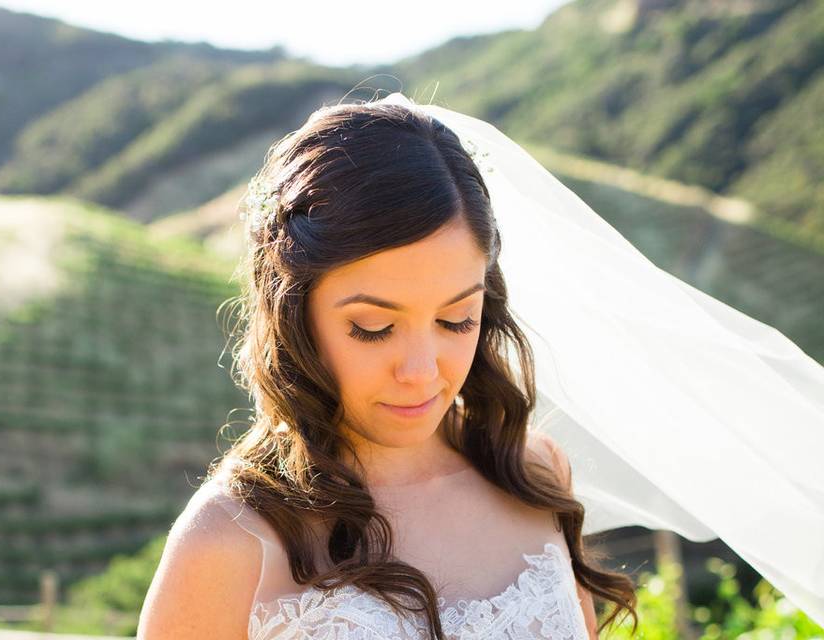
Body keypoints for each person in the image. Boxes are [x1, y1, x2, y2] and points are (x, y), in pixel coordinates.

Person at [136, 92, 637, 640]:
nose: (422, 371)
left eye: (457, 320)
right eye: (373, 328)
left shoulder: (531, 472)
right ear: (294, 316)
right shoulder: (229, 541)